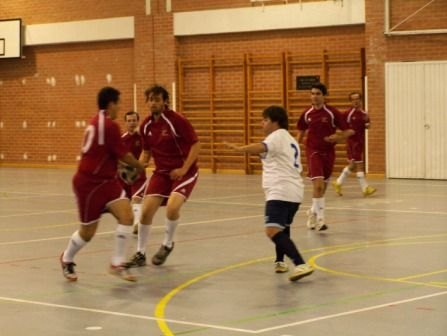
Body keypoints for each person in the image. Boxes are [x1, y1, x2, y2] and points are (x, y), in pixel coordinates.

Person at [60, 87, 145, 282]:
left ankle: (117, 263)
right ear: (111, 104)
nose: (119, 107)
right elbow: (124, 155)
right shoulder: (108, 126)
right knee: (87, 233)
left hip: (107, 182)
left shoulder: (97, 121)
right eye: (118, 103)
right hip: (89, 185)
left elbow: (109, 153)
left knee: (127, 215)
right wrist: (139, 166)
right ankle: (67, 258)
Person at [225, 105, 313, 281]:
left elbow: (260, 147)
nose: (261, 124)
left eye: (265, 120)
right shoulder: (290, 139)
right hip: (294, 192)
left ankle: (301, 263)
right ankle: (280, 261)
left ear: (275, 122)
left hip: (280, 190)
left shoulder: (276, 136)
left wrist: (240, 149)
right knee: (282, 228)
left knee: (272, 230)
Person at [127, 85, 200, 268]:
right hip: (161, 173)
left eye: (157, 99)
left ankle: (167, 244)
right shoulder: (145, 125)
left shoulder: (177, 120)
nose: (153, 103)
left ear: (165, 101)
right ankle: (140, 254)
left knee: (172, 208)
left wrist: (184, 169)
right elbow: (146, 153)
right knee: (145, 213)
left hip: (184, 172)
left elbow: (195, 145)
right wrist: (136, 166)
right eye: (150, 99)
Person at [297, 83, 354, 231]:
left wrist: (337, 137)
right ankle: (321, 220)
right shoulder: (307, 113)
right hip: (313, 151)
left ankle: (312, 212)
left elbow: (349, 132)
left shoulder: (332, 112)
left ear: (324, 96)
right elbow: (300, 132)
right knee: (318, 185)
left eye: (318, 94)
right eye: (312, 93)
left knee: (323, 188)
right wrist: (295, 149)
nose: (314, 96)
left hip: (328, 152)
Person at [333, 92, 376, 197]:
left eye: (357, 99)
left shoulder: (364, 114)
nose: (355, 101)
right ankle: (365, 188)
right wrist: (343, 133)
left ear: (360, 100)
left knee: (352, 166)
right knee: (359, 165)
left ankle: (338, 182)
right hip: (353, 143)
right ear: (351, 101)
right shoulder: (348, 113)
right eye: (353, 99)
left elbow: (367, 126)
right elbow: (339, 124)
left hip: (360, 142)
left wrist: (368, 124)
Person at [118, 111, 147, 234]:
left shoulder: (143, 137)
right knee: (124, 203)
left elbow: (148, 152)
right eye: (129, 121)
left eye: (134, 120)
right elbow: (117, 158)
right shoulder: (121, 140)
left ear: (137, 121)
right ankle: (129, 222)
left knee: (136, 199)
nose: (131, 123)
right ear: (125, 122)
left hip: (139, 175)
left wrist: (141, 164)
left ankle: (137, 224)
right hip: (124, 176)